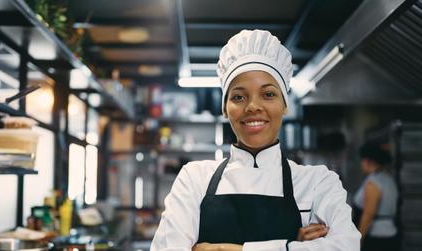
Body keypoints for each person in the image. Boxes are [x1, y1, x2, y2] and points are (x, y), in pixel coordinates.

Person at [150, 30, 360, 251]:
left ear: (284, 105)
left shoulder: (318, 182)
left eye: (268, 94)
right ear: (224, 108)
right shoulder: (195, 179)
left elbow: (346, 246)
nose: (252, 107)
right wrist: (291, 246)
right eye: (238, 97)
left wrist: (226, 249)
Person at [353, 142, 399, 251]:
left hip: (376, 238)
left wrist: (358, 240)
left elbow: (368, 215)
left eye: (362, 161)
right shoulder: (389, 179)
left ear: (368, 161)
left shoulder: (372, 183)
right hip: (391, 235)